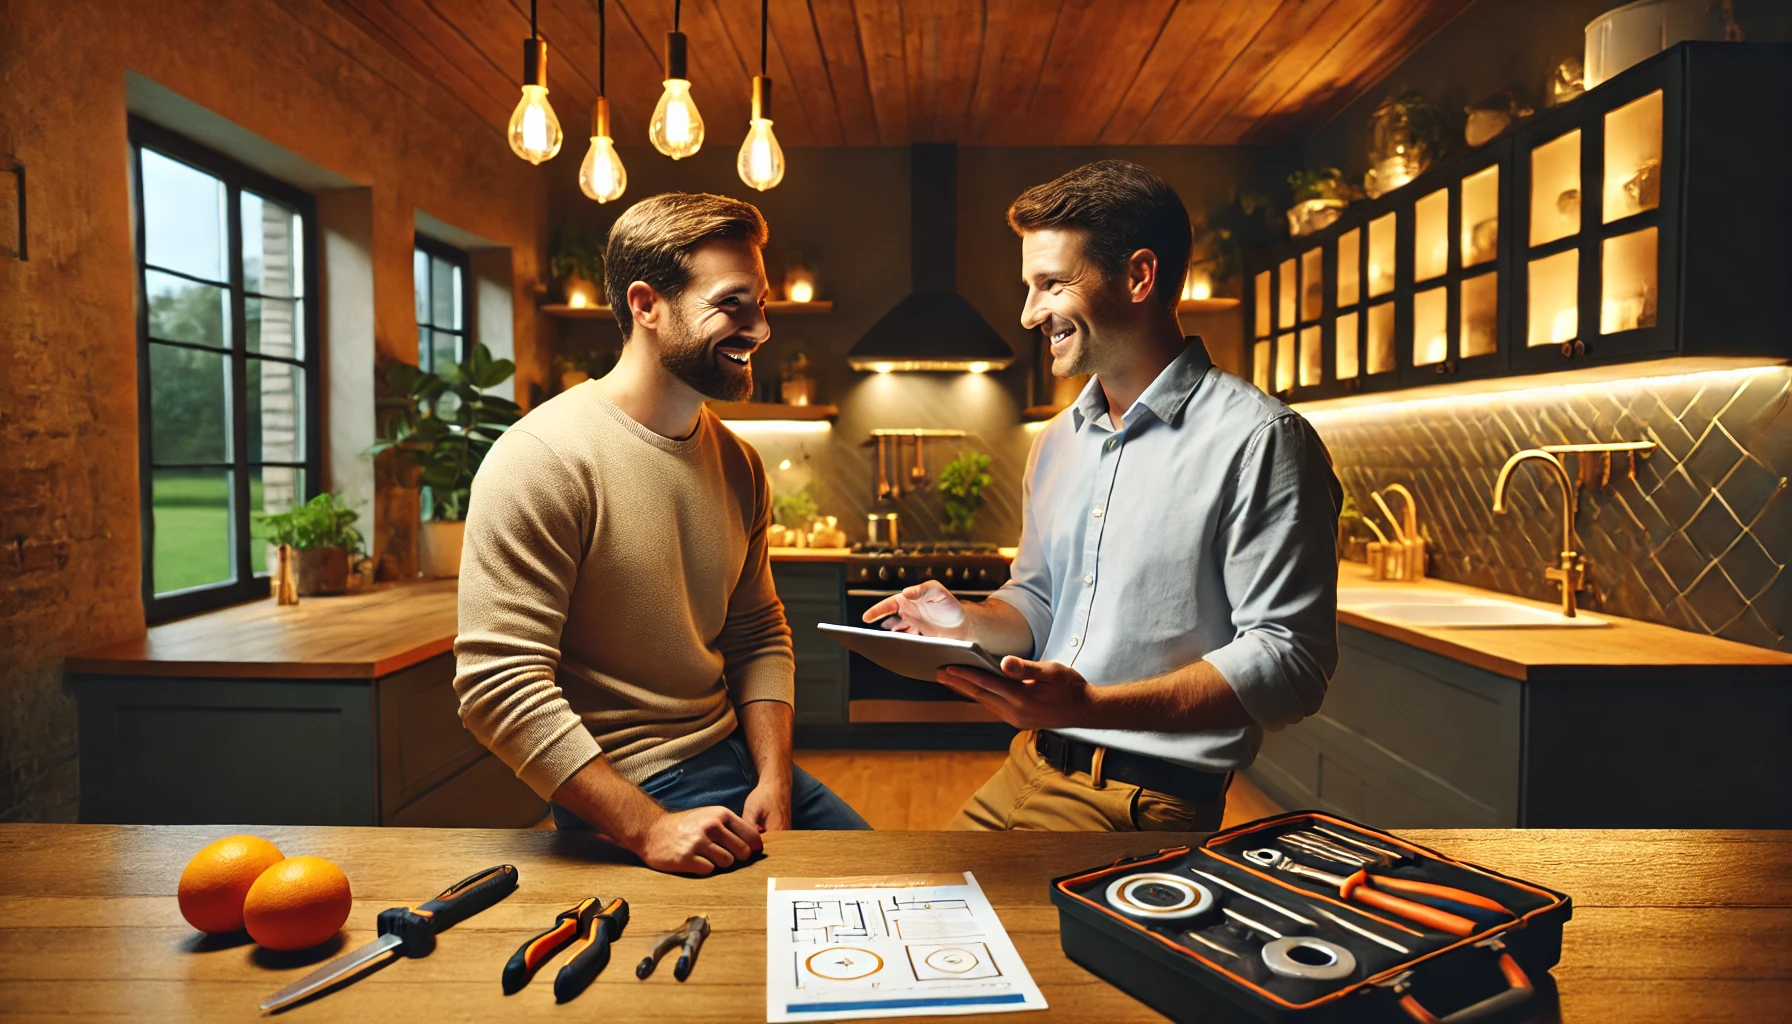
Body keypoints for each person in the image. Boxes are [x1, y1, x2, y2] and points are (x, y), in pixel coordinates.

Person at [866, 161, 1341, 832]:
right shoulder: (1059, 440)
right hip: (1025, 767)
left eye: (1052, 284)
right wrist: (964, 622)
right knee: (921, 916)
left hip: (1141, 802)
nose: (1031, 313)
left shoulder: (1261, 440)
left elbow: (1291, 662)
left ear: (1140, 276)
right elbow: (1036, 600)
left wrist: (1091, 707)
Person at [455, 192, 868, 876]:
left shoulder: (737, 463)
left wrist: (773, 777)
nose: (760, 329)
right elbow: (497, 686)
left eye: (761, 304)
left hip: (744, 765)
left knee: (905, 894)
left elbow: (758, 631)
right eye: (733, 303)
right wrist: (647, 828)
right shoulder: (543, 458)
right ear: (646, 306)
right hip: (640, 795)